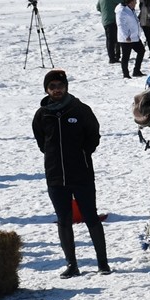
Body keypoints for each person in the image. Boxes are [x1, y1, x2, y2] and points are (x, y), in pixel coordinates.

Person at [32, 69, 110, 278]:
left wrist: (83, 153)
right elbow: (42, 142)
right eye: (52, 87)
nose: (57, 90)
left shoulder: (80, 110)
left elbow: (93, 135)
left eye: (60, 86)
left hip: (81, 173)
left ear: (66, 87)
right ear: (47, 90)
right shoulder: (42, 114)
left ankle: (103, 263)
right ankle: (71, 264)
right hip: (56, 176)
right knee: (64, 220)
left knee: (91, 217)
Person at [115, 0, 144, 78]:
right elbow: (121, 25)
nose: (136, 3)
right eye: (135, 1)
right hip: (126, 38)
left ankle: (136, 70)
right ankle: (126, 74)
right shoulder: (122, 11)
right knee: (126, 56)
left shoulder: (132, 10)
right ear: (131, 2)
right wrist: (125, 36)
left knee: (141, 51)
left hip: (135, 37)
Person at [96, 0, 123, 64]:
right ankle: (112, 58)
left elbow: (97, 7)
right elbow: (121, 1)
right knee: (112, 40)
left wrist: (104, 12)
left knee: (109, 40)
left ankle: (111, 56)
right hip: (111, 20)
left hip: (104, 21)